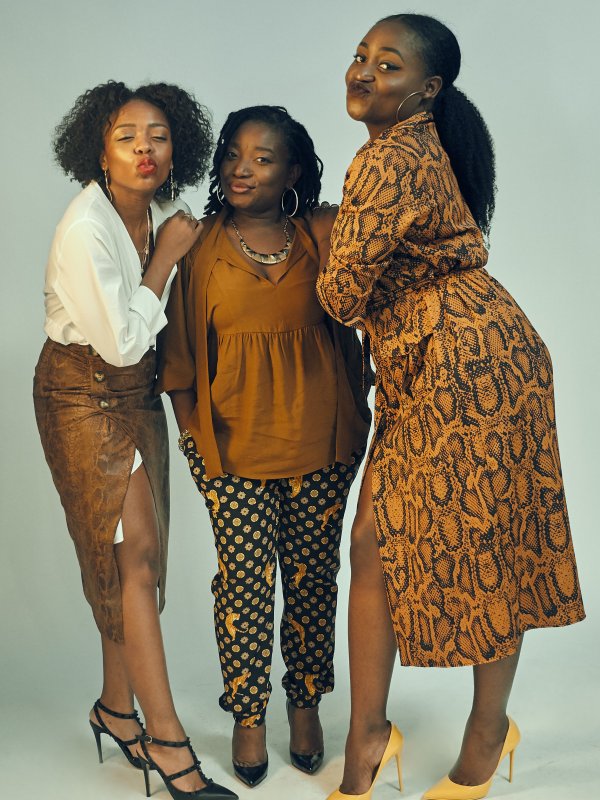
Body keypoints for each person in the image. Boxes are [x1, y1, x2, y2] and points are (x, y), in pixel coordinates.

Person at [314, 14, 585, 800]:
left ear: (427, 89)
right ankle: (369, 735)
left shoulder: (389, 160)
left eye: (388, 65)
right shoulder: (406, 146)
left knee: (484, 542)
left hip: (465, 365)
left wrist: (310, 234)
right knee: (374, 542)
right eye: (361, 56)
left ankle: (486, 737)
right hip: (447, 354)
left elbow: (341, 295)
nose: (364, 72)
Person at [33, 80, 237, 800]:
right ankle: (168, 743)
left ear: (176, 149)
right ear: (100, 151)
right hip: (82, 393)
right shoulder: (87, 227)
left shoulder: (149, 214)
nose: (144, 149)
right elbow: (121, 341)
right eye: (126, 138)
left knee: (132, 561)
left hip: (135, 393)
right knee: (135, 563)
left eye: (158, 136)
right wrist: (167, 257)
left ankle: (117, 709)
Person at [157, 105, 371, 788]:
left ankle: (305, 704)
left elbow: (371, 281)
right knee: (244, 587)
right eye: (233, 154)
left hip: (324, 445)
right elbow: (178, 360)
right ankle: (248, 716)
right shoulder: (200, 248)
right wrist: (196, 443)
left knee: (313, 581)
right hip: (233, 452)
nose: (241, 169)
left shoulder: (318, 235)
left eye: (263, 157)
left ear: (294, 172)